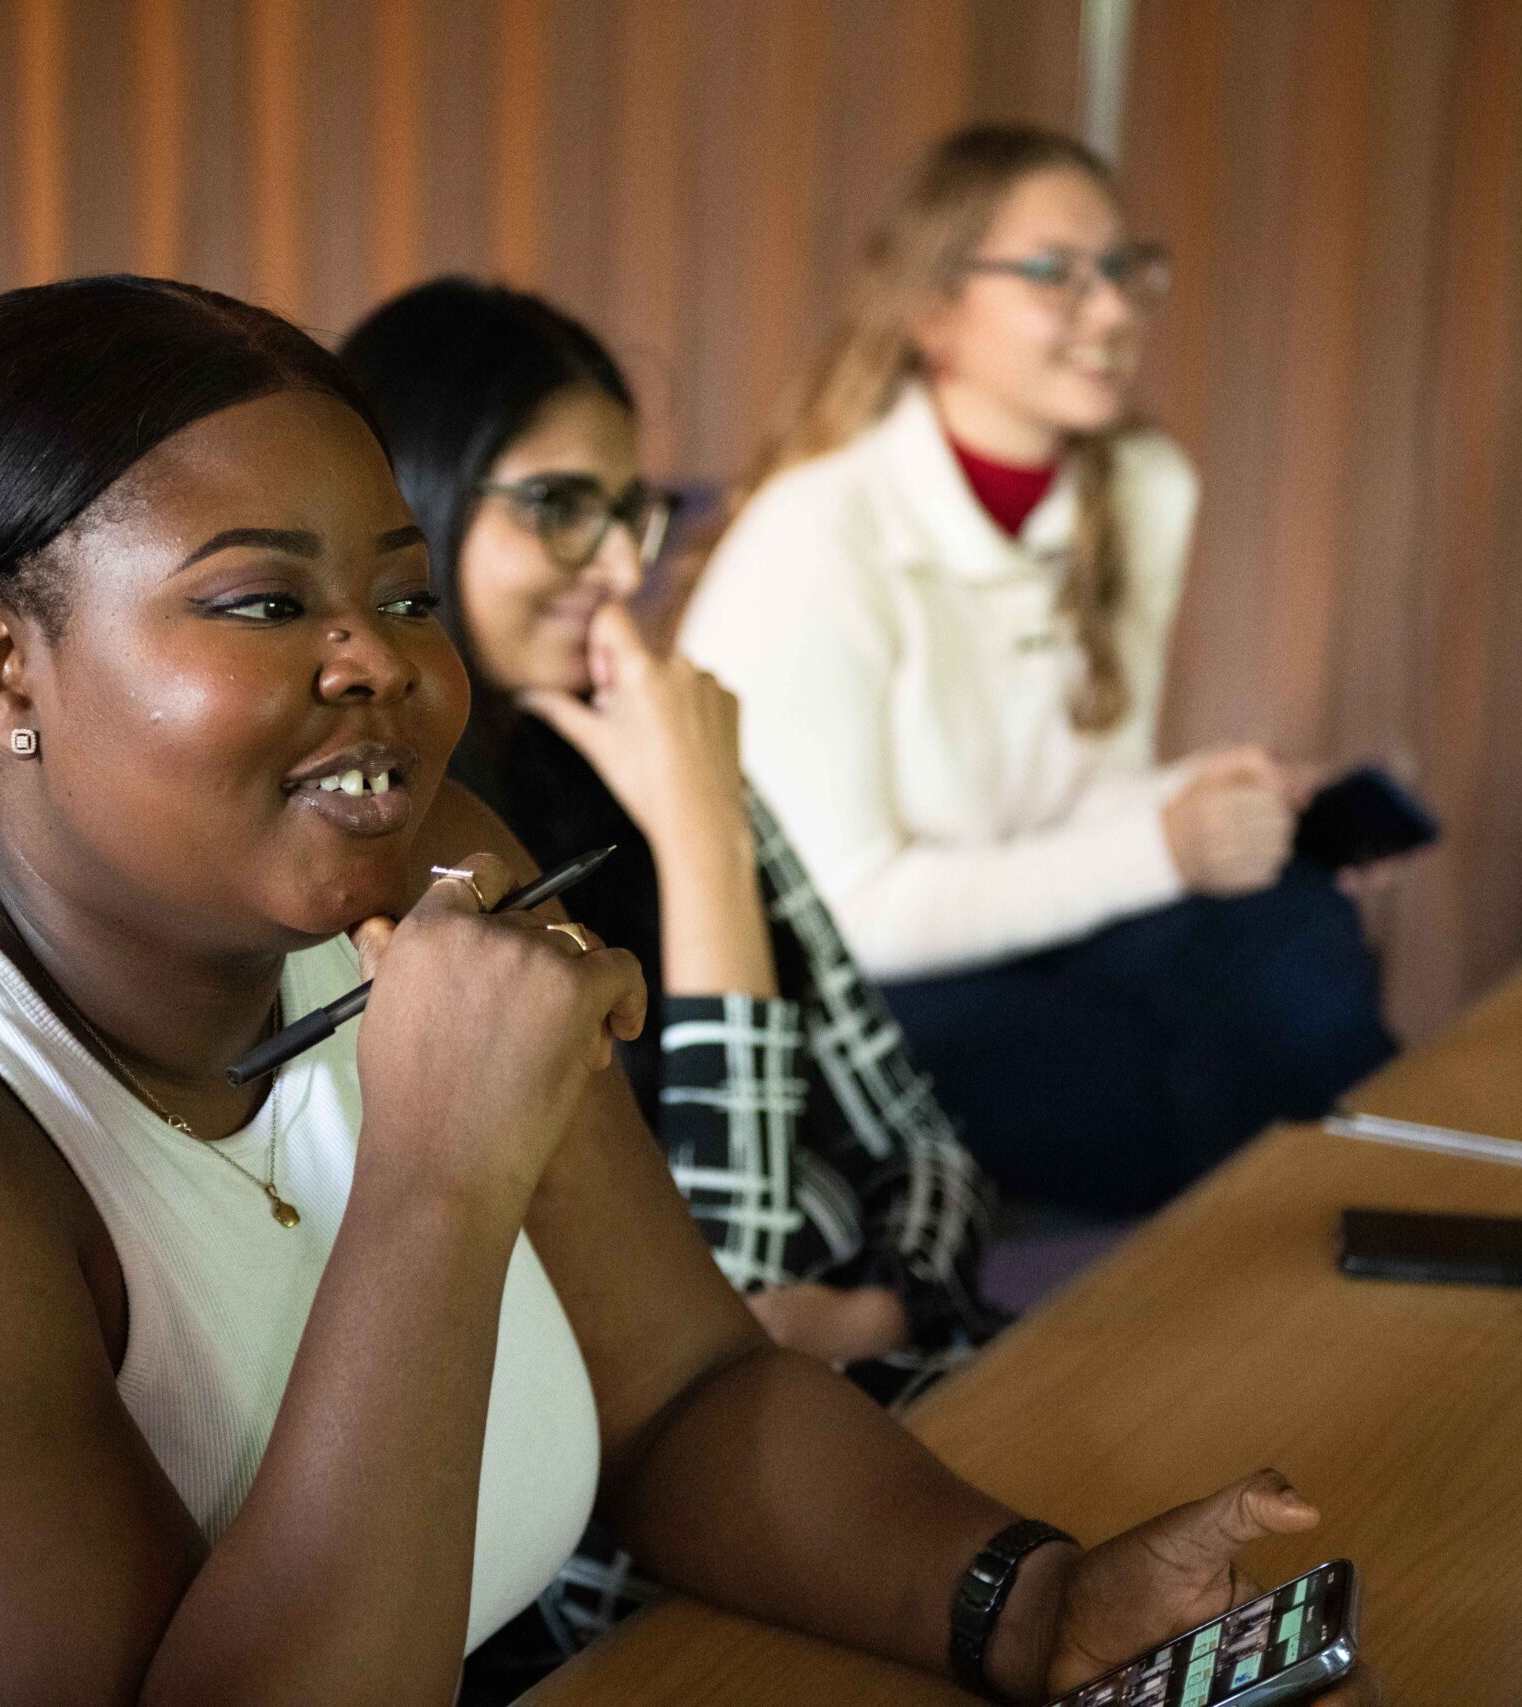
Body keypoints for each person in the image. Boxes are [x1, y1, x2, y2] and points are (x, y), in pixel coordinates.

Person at [0, 275, 1361, 1707]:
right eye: (259, 605)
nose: (378, 671)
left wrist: (1033, 1602)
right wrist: (441, 1173)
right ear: (5, 664)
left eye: (402, 598)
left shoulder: (420, 867)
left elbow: (686, 1400)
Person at [341, 278, 1002, 1684]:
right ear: (417, 510)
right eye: (558, 505)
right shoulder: (399, 860)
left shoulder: (652, 748)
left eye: (631, 509)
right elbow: (724, 1298)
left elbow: (927, 1139)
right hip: (622, 1523)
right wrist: (703, 852)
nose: (613, 562)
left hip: (852, 1377)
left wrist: (888, 1301)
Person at [681, 127, 1396, 1219]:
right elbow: (851, 915)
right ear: (932, 311)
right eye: (1055, 275)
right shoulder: (818, 536)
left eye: (1119, 271)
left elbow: (1073, 801)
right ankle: (1329, 1236)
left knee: (1293, 913)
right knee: (1191, 1060)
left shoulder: (1142, 488)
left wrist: (1218, 802)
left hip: (1026, 934)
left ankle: (1352, 1222)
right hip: (859, 1000)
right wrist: (1164, 846)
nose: (1110, 312)